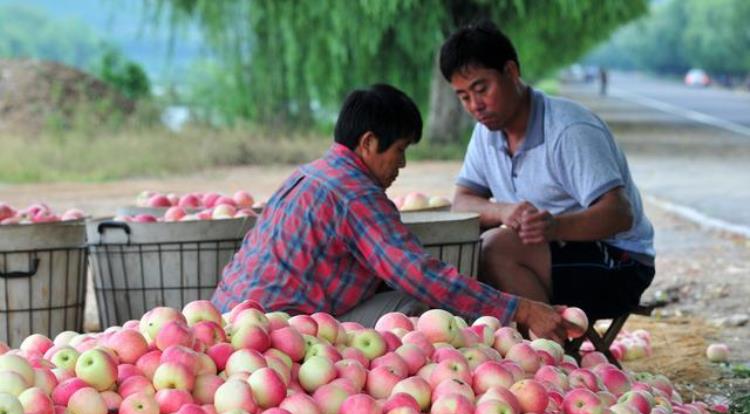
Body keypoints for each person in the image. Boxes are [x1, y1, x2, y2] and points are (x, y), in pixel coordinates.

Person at [212, 83, 572, 341]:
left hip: (225, 318)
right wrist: (519, 309)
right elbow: (418, 274)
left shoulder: (311, 173)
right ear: (368, 142)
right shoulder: (355, 194)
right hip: (278, 333)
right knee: (416, 306)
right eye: (398, 150)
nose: (401, 163)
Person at [439, 21, 655, 321]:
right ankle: (530, 349)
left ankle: (549, 355)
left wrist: (553, 228)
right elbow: (462, 201)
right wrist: (503, 212)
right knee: (462, 256)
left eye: (481, 89)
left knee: (494, 249)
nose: (475, 105)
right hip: (553, 254)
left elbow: (619, 213)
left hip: (620, 263)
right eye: (464, 97)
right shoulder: (485, 132)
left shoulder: (568, 130)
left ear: (511, 73)